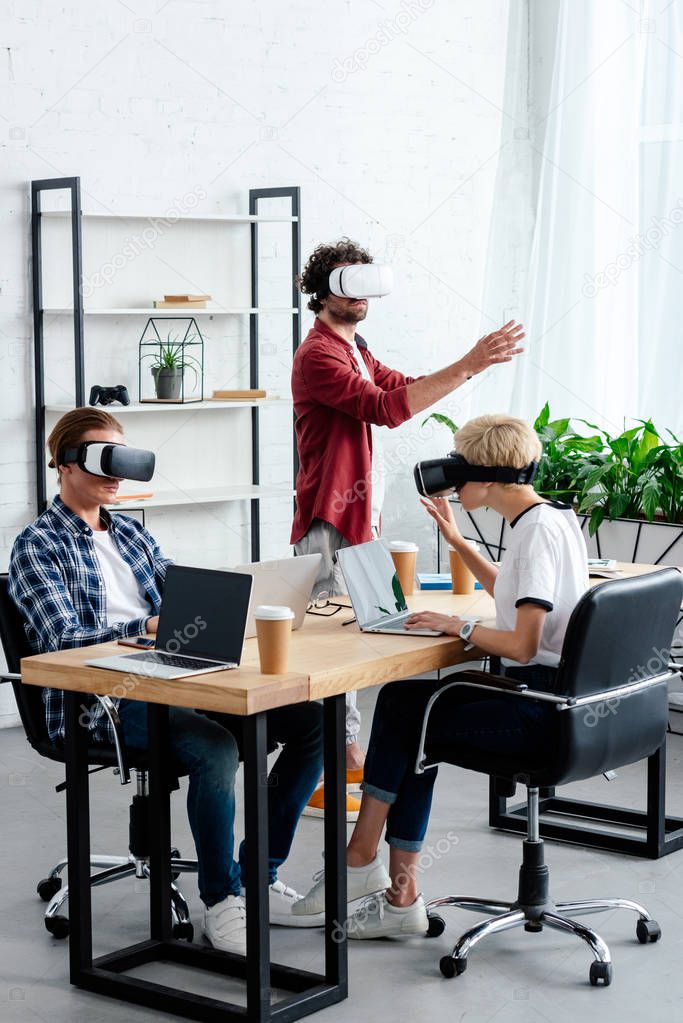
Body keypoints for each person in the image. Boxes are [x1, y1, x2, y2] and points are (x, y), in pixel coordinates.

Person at [9, 407, 324, 954]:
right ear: (63, 464)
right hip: (99, 698)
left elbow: (183, 600)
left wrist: (225, 609)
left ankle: (256, 876)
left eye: (122, 460)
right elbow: (62, 640)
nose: (116, 474)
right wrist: (149, 627)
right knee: (215, 746)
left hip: (170, 673)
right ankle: (222, 899)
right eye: (103, 460)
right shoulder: (37, 545)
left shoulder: (131, 533)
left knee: (312, 722)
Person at [292, 414, 589, 937]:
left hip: (542, 710)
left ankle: (367, 863)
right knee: (414, 714)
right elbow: (514, 591)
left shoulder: (535, 533)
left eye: (459, 469)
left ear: (488, 477)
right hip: (568, 702)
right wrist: (457, 539)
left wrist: (460, 624)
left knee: (409, 712)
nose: (451, 480)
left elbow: (521, 642)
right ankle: (390, 886)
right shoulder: (550, 518)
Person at [292, 240, 525, 817]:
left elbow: (399, 391)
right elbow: (386, 409)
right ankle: (338, 760)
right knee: (334, 648)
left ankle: (349, 759)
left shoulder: (356, 347)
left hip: (355, 514)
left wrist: (467, 368)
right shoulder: (318, 355)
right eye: (353, 287)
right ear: (325, 290)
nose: (366, 298)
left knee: (368, 631)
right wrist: (469, 362)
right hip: (327, 515)